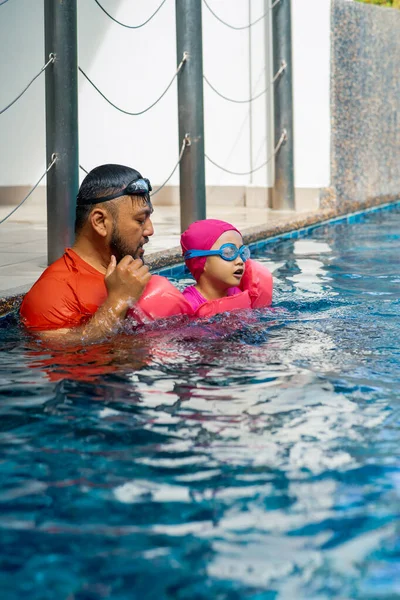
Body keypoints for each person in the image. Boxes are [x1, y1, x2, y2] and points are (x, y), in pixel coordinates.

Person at [20, 164, 155, 342]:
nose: (150, 230)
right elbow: (62, 353)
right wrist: (118, 301)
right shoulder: (54, 292)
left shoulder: (128, 276)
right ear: (100, 222)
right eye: (140, 220)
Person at [127, 219, 273, 322]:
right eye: (229, 253)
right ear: (201, 262)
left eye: (242, 252)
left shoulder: (242, 294)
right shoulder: (190, 305)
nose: (240, 261)